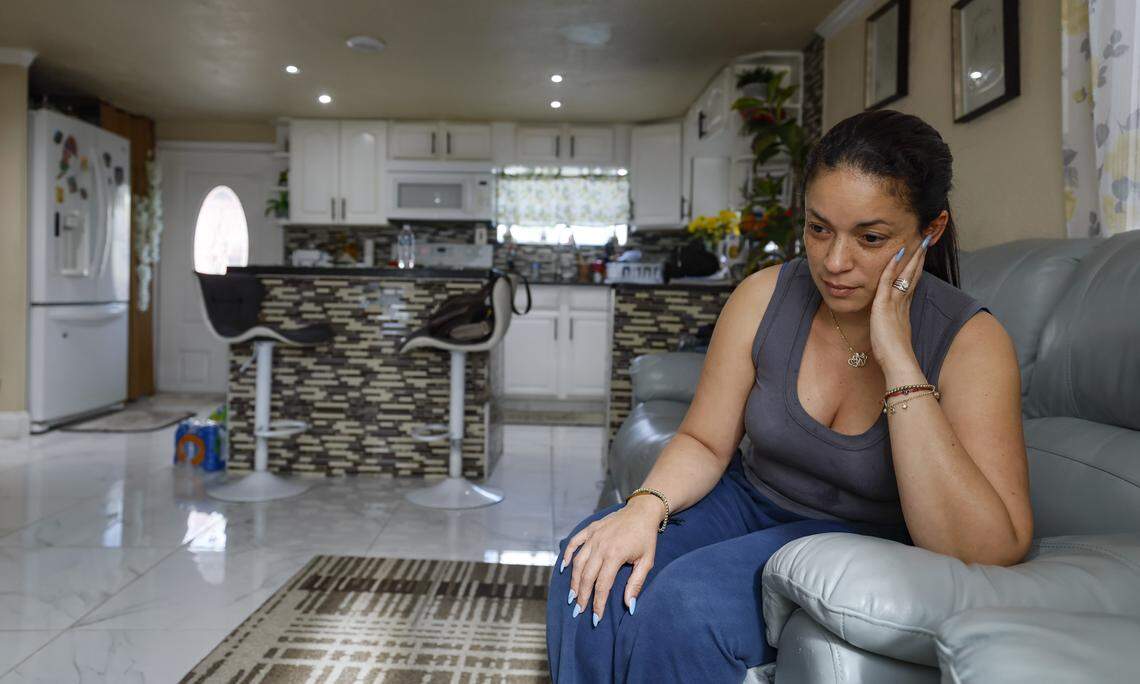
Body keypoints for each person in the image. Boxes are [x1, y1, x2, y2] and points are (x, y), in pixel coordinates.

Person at [546, 109, 1033, 682]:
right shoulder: (762, 296)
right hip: (749, 501)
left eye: (870, 238)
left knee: (687, 605)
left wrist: (897, 356)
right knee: (587, 559)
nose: (834, 262)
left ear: (932, 230)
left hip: (862, 537)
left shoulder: (973, 341)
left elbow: (993, 547)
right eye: (819, 228)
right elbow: (704, 440)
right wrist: (643, 507)